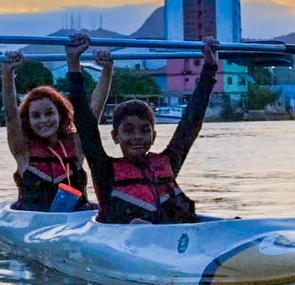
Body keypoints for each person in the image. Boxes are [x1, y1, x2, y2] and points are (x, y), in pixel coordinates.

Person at [65, 31, 218, 224]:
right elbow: (86, 126)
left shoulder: (167, 162)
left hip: (172, 238)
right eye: (128, 130)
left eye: (144, 130)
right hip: (131, 241)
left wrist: (210, 67)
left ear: (153, 136)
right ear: (115, 136)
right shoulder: (105, 170)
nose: (137, 137)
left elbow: (190, 123)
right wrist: (73, 63)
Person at [2, 47, 114, 210]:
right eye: (36, 116)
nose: (44, 120)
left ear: (60, 115)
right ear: (28, 120)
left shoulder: (76, 145)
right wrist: (7, 74)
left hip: (75, 221)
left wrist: (107, 70)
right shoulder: (22, 150)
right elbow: (11, 115)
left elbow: (94, 110)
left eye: (49, 113)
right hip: (33, 223)